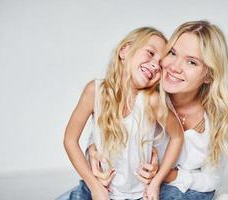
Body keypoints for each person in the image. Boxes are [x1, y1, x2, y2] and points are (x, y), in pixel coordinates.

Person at [88, 20, 228, 200]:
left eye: (191, 62)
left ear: (209, 75)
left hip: (183, 190)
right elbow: (107, 122)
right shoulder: (147, 93)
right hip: (135, 189)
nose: (174, 67)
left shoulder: (215, 119)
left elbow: (210, 180)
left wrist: (168, 175)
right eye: (172, 53)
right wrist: (92, 149)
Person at [61, 27, 183, 200]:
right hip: (97, 189)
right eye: (150, 53)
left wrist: (156, 182)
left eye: (161, 65)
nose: (156, 65)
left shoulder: (151, 101)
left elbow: (177, 136)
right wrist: (94, 187)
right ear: (124, 50)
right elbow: (70, 140)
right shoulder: (95, 91)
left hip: (140, 195)